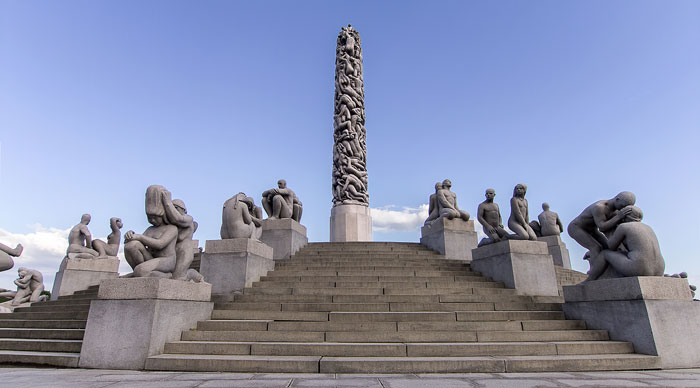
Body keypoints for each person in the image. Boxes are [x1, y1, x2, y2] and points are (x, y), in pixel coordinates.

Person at [587, 205, 664, 281]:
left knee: (604, 254)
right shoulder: (648, 227)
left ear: (624, 216)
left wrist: (600, 233)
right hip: (660, 269)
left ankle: (589, 280)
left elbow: (611, 247)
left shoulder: (624, 227)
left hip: (639, 268)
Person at [124, 186, 179, 278]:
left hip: (166, 260)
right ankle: (139, 272)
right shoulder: (150, 229)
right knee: (131, 245)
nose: (152, 220)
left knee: (141, 270)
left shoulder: (172, 228)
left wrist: (139, 237)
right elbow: (138, 243)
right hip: (151, 258)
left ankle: (166, 276)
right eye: (149, 217)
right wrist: (130, 236)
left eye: (155, 217)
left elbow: (160, 244)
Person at [567, 191, 636, 263]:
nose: (622, 209)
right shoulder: (600, 207)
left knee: (608, 247)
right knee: (595, 248)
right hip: (576, 228)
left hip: (592, 230)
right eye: (622, 206)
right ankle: (594, 271)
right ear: (617, 199)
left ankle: (592, 256)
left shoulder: (616, 212)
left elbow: (612, 230)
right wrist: (619, 217)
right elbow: (602, 227)